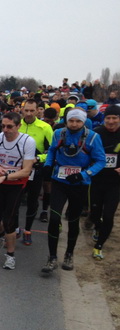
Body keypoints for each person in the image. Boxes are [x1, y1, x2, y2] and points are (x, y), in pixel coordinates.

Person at [41, 108, 106, 274]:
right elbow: (52, 151)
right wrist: (48, 165)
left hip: (80, 184)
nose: (74, 124)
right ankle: (52, 257)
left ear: (83, 122)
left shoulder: (93, 137)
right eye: (71, 121)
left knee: (73, 220)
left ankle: (69, 254)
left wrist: (83, 174)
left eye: (78, 121)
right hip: (59, 181)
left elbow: (101, 161)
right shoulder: (58, 133)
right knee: (54, 218)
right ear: (67, 120)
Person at [0, 112, 36, 270]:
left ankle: (10, 256)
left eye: (10, 127)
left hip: (16, 184)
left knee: (9, 219)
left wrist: (5, 177)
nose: (5, 130)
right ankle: (3, 234)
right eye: (3, 126)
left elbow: (26, 171)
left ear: (18, 126)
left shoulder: (27, 142)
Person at [18, 99, 53, 245]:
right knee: (14, 200)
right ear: (22, 110)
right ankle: (14, 228)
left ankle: (27, 230)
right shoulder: (17, 124)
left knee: (32, 201)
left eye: (32, 111)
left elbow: (52, 151)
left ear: (39, 111)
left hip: (35, 170)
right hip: (17, 169)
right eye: (26, 110)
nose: (29, 113)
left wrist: (38, 158)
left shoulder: (45, 127)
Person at [90, 105, 120, 260]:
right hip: (97, 180)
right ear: (104, 119)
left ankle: (98, 246)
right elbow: (88, 153)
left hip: (115, 183)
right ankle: (97, 226)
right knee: (94, 213)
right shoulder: (97, 134)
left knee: (108, 215)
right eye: (108, 118)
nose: (111, 121)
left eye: (115, 118)